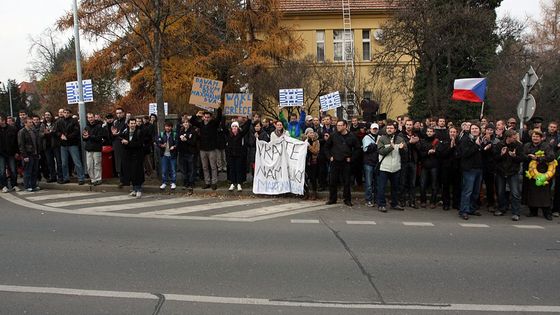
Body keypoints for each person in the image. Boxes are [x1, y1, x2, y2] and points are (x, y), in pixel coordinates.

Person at [325, 120, 361, 206]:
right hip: (335, 161)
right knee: (332, 181)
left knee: (346, 182)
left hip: (346, 162)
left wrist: (351, 158)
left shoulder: (352, 136)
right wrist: (330, 157)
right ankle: (332, 199)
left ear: (345, 126)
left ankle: (347, 199)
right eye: (337, 125)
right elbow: (326, 147)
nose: (338, 127)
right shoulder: (333, 135)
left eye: (340, 125)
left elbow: (358, 149)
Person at [522, 129, 555, 220]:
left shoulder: (546, 146)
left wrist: (538, 158)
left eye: (537, 136)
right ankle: (533, 211)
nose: (535, 138)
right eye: (533, 136)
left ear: (541, 138)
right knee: (531, 193)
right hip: (531, 173)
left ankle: (547, 213)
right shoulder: (527, 145)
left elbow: (551, 156)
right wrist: (528, 157)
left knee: (544, 194)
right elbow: (522, 155)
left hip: (543, 173)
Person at [494, 129, 524, 221]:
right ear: (508, 138)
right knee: (500, 192)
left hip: (512, 172)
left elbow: (522, 158)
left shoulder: (518, 145)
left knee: (515, 193)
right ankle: (502, 208)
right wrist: (502, 154)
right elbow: (495, 158)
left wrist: (515, 156)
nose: (515, 139)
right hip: (501, 172)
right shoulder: (500, 145)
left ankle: (516, 213)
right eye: (513, 138)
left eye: (515, 137)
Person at [376, 121, 407, 212]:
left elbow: (405, 152)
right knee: (382, 187)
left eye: (391, 128)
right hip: (384, 167)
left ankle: (394, 203)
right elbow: (381, 151)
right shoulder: (382, 138)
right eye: (388, 128)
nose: (389, 129)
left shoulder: (400, 139)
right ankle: (381, 204)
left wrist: (402, 149)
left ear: (395, 129)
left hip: (396, 167)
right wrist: (391, 147)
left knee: (395, 187)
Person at [190, 109, 222, 190]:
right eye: (205, 117)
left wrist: (218, 108)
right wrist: (196, 114)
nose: (207, 118)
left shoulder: (213, 124)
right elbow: (192, 121)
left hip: (211, 149)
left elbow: (219, 118)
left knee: (213, 166)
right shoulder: (200, 124)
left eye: (208, 117)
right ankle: (207, 182)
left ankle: (214, 182)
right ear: (203, 117)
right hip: (202, 149)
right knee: (205, 167)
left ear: (210, 118)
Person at [458, 124, 486, 220]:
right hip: (469, 169)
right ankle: (464, 211)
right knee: (467, 191)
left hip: (479, 169)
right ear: (470, 130)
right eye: (473, 129)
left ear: (479, 130)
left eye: (476, 128)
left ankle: (471, 208)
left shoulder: (481, 139)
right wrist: (476, 145)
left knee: (476, 192)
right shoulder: (465, 139)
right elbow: (465, 153)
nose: (474, 130)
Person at [55, 108, 85, 185]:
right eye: (64, 112)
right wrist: (60, 135)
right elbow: (56, 131)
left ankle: (81, 178)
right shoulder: (59, 121)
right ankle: (66, 178)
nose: (66, 114)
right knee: (64, 163)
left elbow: (76, 131)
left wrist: (67, 137)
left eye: (67, 113)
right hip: (63, 145)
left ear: (70, 114)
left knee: (77, 162)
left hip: (72, 144)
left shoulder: (74, 121)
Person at [437, 127, 461, 210]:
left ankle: (456, 203)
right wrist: (450, 147)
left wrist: (455, 146)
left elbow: (461, 154)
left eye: (454, 132)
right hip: (446, 168)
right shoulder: (443, 142)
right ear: (448, 133)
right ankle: (446, 204)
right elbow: (442, 154)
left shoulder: (459, 142)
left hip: (456, 168)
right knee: (446, 186)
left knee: (456, 187)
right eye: (451, 132)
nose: (452, 133)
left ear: (457, 133)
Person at [225, 120, 252, 191]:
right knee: (232, 169)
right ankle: (233, 183)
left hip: (239, 155)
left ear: (238, 127)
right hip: (231, 155)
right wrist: (223, 116)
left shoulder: (241, 134)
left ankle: (239, 183)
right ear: (231, 128)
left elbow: (246, 128)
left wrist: (248, 119)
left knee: (238, 169)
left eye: (236, 126)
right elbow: (223, 126)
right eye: (233, 126)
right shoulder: (228, 134)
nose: (234, 127)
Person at [121, 119, 145, 198]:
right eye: (131, 123)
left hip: (137, 156)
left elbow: (139, 144)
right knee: (131, 173)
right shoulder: (125, 131)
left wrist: (128, 143)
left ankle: (139, 190)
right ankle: (134, 189)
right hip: (128, 156)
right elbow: (121, 139)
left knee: (137, 173)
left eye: (134, 123)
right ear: (128, 124)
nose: (133, 125)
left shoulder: (139, 132)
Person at [400, 119, 420, 208]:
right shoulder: (401, 135)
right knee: (403, 181)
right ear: (405, 125)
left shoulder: (415, 135)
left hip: (413, 161)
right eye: (407, 124)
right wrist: (409, 142)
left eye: (410, 125)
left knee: (412, 183)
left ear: (413, 126)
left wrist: (415, 143)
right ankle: (402, 201)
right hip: (404, 161)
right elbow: (401, 147)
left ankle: (412, 201)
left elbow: (419, 148)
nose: (409, 126)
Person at [418, 127, 439, 208]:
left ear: (433, 133)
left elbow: (440, 153)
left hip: (434, 166)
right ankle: (423, 201)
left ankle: (433, 202)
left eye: (431, 131)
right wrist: (428, 152)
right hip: (424, 166)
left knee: (434, 185)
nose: (429, 133)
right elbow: (421, 153)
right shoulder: (423, 141)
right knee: (422, 184)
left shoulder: (437, 141)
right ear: (426, 132)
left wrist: (435, 152)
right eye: (428, 131)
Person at [39, 111, 63, 183]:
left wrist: (52, 132)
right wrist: (45, 134)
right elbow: (40, 134)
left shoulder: (55, 123)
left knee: (59, 162)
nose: (47, 116)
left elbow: (58, 132)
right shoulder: (42, 125)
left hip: (55, 145)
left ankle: (60, 177)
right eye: (45, 115)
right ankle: (53, 177)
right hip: (47, 146)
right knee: (50, 162)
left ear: (51, 116)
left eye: (48, 115)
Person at [18, 117, 40, 192]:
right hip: (28, 154)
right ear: (25, 123)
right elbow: (21, 145)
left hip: (35, 153)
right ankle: (27, 186)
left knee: (34, 170)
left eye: (31, 122)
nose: (31, 123)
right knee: (28, 170)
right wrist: (24, 156)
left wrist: (38, 153)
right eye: (29, 122)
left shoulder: (33, 131)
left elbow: (36, 143)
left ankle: (33, 185)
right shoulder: (22, 132)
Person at [82, 113, 105, 186]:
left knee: (97, 164)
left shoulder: (99, 126)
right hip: (89, 148)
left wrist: (89, 136)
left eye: (91, 117)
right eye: (89, 118)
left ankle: (98, 179)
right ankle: (93, 179)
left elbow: (99, 138)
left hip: (97, 148)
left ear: (94, 118)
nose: (90, 119)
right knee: (89, 166)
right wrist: (85, 137)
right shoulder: (86, 127)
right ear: (87, 119)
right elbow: (84, 138)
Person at [0, 115, 20, 192]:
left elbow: (16, 142)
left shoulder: (12, 129)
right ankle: (4, 186)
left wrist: (17, 152)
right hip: (1, 154)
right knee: (2, 171)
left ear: (3, 120)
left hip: (11, 153)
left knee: (13, 170)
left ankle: (14, 184)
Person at [178, 120, 198, 194]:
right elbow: (178, 142)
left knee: (192, 168)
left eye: (187, 122)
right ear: (182, 124)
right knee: (184, 169)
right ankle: (185, 182)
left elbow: (193, 142)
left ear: (189, 123)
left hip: (191, 153)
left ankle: (191, 183)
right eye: (184, 122)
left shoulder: (193, 132)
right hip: (183, 153)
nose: (185, 124)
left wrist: (186, 140)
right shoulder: (181, 131)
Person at [362, 123, 379, 207]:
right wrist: (375, 145)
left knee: (377, 183)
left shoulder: (379, 137)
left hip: (377, 162)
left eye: (376, 129)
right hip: (368, 163)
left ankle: (376, 199)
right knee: (369, 183)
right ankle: (368, 200)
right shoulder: (366, 137)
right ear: (370, 129)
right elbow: (366, 149)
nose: (375, 130)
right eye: (373, 129)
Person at [158, 122, 178, 190]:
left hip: (172, 155)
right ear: (164, 127)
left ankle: (173, 182)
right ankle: (164, 182)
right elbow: (158, 142)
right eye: (166, 126)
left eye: (169, 126)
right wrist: (161, 145)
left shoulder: (174, 134)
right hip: (164, 155)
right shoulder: (161, 134)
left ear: (171, 127)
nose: (167, 128)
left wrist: (174, 147)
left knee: (173, 170)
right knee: (164, 170)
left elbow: (177, 143)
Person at [111, 108, 128, 185]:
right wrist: (114, 134)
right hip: (117, 144)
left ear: (123, 113)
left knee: (125, 162)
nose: (118, 114)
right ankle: (121, 180)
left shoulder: (126, 121)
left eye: (120, 113)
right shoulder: (115, 122)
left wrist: (118, 134)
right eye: (117, 113)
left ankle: (127, 179)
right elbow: (112, 132)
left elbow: (126, 132)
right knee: (118, 162)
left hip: (124, 143)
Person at [303, 128, 320, 200]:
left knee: (313, 178)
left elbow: (316, 151)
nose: (312, 134)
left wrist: (309, 146)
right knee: (304, 178)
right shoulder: (303, 142)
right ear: (306, 134)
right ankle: (306, 193)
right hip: (304, 162)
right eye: (310, 133)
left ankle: (314, 193)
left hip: (313, 162)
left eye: (312, 132)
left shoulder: (316, 142)